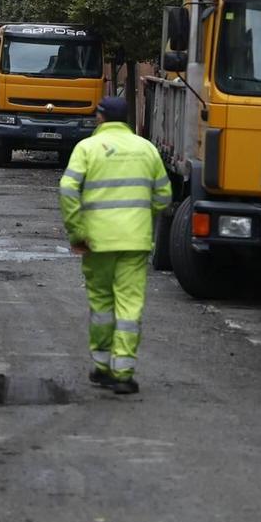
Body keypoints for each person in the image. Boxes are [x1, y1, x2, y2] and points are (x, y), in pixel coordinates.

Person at [59, 95, 172, 395]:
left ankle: (101, 365)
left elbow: (68, 189)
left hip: (96, 242)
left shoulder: (87, 148)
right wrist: (142, 217)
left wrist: (77, 232)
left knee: (101, 305)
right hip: (134, 242)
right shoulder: (146, 149)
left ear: (100, 118)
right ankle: (123, 373)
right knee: (129, 305)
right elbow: (164, 197)